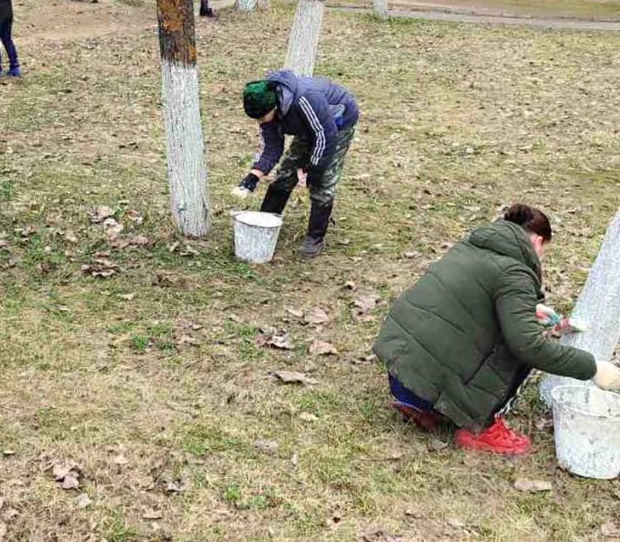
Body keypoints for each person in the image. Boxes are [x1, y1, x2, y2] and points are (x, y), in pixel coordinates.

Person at [373, 205, 620, 455]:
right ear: (537, 240)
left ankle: (424, 407)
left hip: (402, 370)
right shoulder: (516, 272)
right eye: (544, 252)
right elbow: (529, 347)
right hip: (424, 383)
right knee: (522, 347)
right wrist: (594, 368)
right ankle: (483, 429)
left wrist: (529, 308)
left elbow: (469, 300)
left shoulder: (472, 245)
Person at [232, 70, 358, 257]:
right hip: (309, 125)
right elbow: (272, 147)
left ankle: (315, 237)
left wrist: (313, 169)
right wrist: (253, 176)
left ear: (275, 107)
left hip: (337, 123)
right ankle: (267, 219)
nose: (260, 122)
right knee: (285, 173)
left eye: (262, 117)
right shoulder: (265, 105)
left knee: (321, 181)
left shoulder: (305, 100)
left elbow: (325, 136)